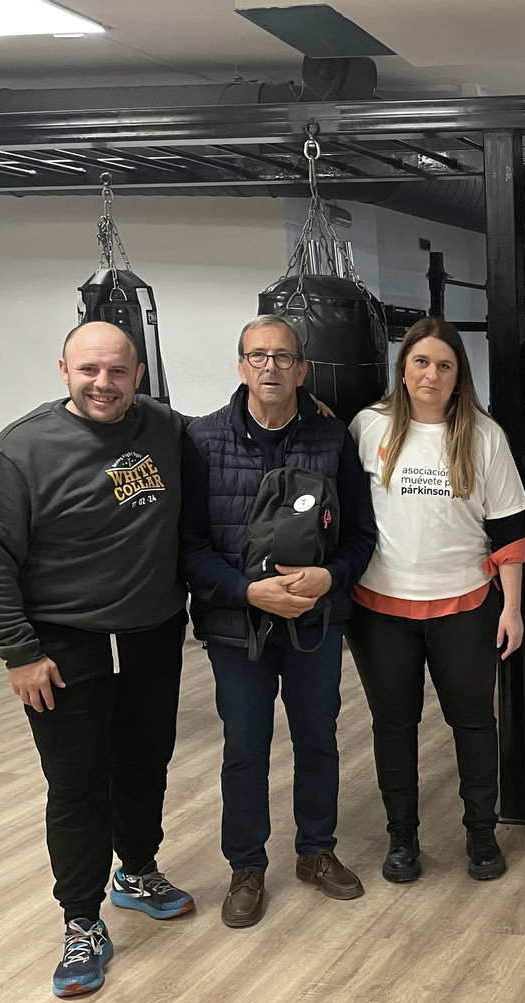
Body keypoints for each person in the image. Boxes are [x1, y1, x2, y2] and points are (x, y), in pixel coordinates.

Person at [0, 321, 193, 999]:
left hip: (152, 633)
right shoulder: (18, 452)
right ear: (64, 369)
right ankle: (82, 919)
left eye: (117, 372)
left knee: (146, 761)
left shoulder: (163, 428)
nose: (103, 383)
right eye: (89, 370)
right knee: (77, 783)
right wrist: (18, 653)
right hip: (63, 647)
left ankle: (138, 870)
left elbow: (228, 430)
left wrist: (306, 401)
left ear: (139, 375)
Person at [181, 315, 376, 929]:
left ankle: (316, 852)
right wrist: (247, 592)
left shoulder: (331, 437)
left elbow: (361, 535)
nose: (271, 367)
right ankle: (246, 866)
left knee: (318, 737)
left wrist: (330, 577)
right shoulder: (201, 441)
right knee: (245, 745)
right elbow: (188, 546)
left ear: (302, 368)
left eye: (284, 357)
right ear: (241, 367)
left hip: (315, 623)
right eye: (258, 356)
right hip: (236, 627)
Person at [345, 318, 525, 883]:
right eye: (421, 362)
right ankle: (402, 839)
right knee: (393, 726)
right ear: (403, 370)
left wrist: (513, 608)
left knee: (474, 724)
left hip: (465, 607)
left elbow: (511, 531)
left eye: (444, 366)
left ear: (458, 377)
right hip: (380, 610)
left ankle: (481, 835)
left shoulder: (483, 434)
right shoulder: (366, 427)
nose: (431, 374)